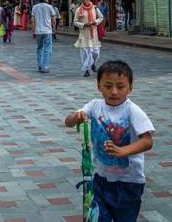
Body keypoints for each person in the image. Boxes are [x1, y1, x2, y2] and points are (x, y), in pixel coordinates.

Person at [64, 61, 155, 221]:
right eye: (108, 86)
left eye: (120, 87)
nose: (114, 92)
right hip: (101, 179)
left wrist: (122, 151)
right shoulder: (94, 106)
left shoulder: (132, 110)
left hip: (129, 182)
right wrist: (76, 117)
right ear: (99, 86)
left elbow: (147, 141)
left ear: (130, 87)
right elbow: (68, 122)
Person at [74, 0, 104, 77]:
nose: (85, 1)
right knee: (86, 53)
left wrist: (95, 22)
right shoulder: (78, 10)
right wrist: (83, 24)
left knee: (96, 53)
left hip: (94, 34)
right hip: (84, 34)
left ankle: (93, 63)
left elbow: (101, 17)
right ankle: (86, 70)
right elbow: (75, 22)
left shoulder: (95, 8)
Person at [32, 0, 59, 74]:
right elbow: (54, 20)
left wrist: (33, 30)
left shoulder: (35, 7)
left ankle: (40, 65)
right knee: (47, 49)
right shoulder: (50, 7)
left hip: (38, 31)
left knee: (39, 48)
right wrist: (54, 29)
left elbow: (33, 20)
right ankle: (45, 67)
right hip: (47, 31)